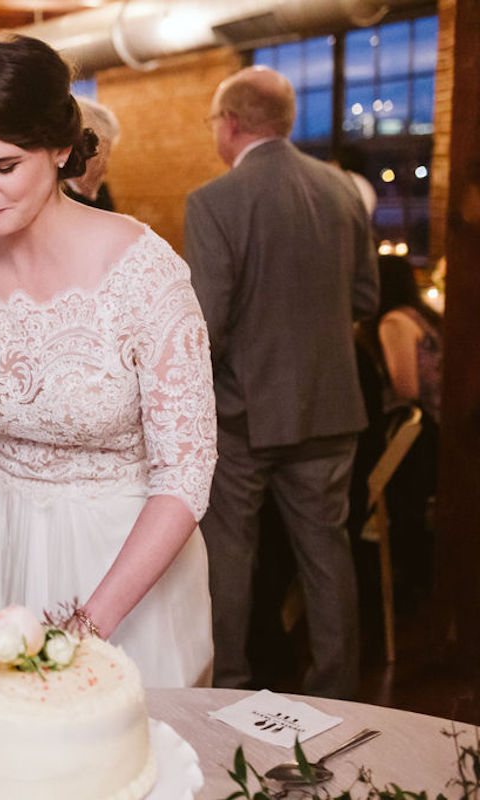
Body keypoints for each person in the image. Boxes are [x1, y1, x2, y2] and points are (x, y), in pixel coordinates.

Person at [0, 35, 217, 689]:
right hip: (4, 538)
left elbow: (186, 475)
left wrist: (88, 626)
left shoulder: (144, 273)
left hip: (126, 560)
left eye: (3, 166)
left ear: (61, 149)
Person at [185, 66, 379, 699]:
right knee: (327, 557)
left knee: (230, 559)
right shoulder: (343, 191)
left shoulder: (214, 201)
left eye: (215, 122)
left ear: (232, 124)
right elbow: (367, 299)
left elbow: (206, 324)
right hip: (330, 408)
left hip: (243, 414)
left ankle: (230, 689)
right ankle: (337, 690)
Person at [371, 254, 441, 605]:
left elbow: (407, 390)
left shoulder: (394, 322)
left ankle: (408, 580)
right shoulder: (422, 316)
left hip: (422, 430)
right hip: (440, 425)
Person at [62, 96, 120, 212]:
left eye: (107, 154)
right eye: (98, 153)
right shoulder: (58, 193)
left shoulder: (100, 191)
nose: (104, 166)